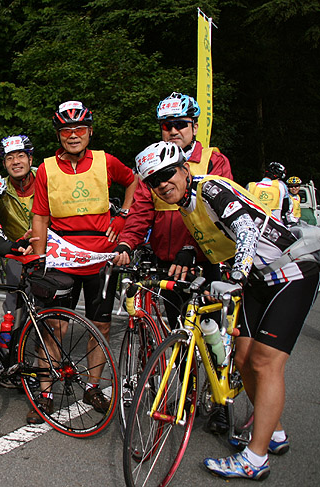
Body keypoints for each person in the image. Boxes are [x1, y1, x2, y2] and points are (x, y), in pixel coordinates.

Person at [134, 141, 319, 480]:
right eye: (152, 180)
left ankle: (255, 458)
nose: (161, 183)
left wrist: (236, 276)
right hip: (259, 279)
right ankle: (273, 432)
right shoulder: (186, 206)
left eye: (167, 173)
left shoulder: (210, 188)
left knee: (265, 361)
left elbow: (246, 231)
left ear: (184, 169)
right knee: (244, 360)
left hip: (292, 270)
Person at [29, 100, 137, 423]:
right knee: (55, 326)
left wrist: (124, 216)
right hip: (63, 257)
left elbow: (133, 181)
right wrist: (38, 255)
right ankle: (45, 392)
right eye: (66, 130)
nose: (73, 135)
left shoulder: (106, 161)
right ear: (59, 135)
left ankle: (92, 386)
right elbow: (39, 216)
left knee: (100, 325)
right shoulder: (46, 169)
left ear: (89, 131)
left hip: (101, 258)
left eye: (79, 129)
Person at [115, 92, 233, 324]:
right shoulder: (153, 164)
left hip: (202, 261)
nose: (173, 131)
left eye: (181, 124)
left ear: (195, 127)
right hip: (167, 263)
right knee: (177, 332)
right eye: (167, 125)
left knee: (209, 333)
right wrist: (126, 242)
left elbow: (217, 214)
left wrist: (191, 246)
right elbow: (141, 212)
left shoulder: (213, 161)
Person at [0, 135, 37, 314]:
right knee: (14, 309)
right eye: (10, 158)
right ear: (4, 164)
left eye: (20, 156)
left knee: (47, 313)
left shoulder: (47, 180)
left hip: (49, 251)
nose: (15, 162)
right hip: (17, 253)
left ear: (30, 159)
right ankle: (12, 341)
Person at [247, 162, 297, 227]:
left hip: (253, 224)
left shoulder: (250, 186)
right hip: (273, 226)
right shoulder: (281, 186)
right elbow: (286, 207)